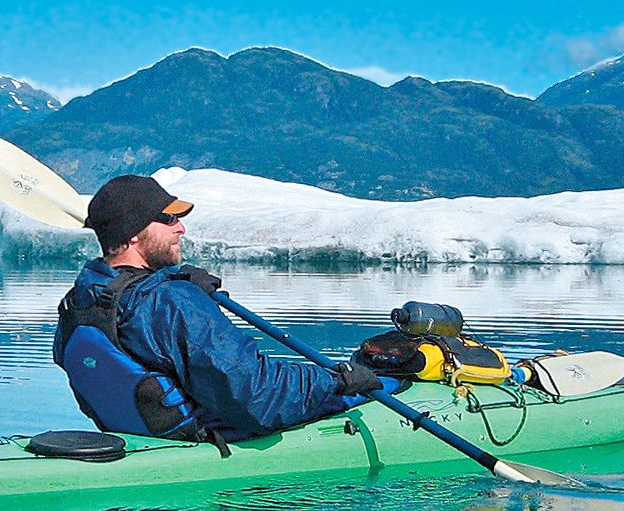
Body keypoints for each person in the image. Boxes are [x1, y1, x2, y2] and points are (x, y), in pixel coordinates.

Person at [52, 173, 384, 444]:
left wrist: (172, 276)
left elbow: (131, 331)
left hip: (140, 435)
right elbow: (257, 398)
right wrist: (334, 381)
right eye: (168, 219)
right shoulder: (174, 302)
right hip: (204, 439)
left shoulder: (79, 300)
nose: (180, 228)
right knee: (381, 388)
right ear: (135, 233)